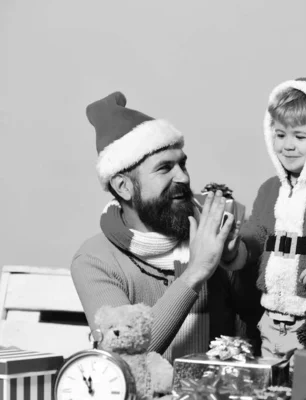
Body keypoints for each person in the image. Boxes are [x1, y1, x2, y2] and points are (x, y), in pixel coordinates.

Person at [71, 91, 255, 362]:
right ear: (124, 187)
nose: (183, 176)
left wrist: (233, 261)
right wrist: (195, 273)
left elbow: (256, 323)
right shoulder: (95, 260)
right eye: (164, 168)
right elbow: (126, 358)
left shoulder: (211, 228)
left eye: (182, 164)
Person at [220, 77, 306, 358]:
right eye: (280, 135)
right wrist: (237, 248)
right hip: (270, 316)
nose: (288, 146)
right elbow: (257, 231)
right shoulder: (271, 188)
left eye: (300, 136)